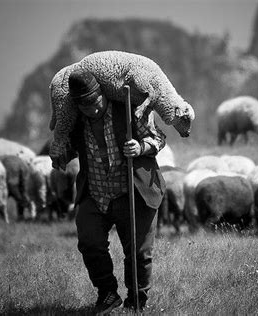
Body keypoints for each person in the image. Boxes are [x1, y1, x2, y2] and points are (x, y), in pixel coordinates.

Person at [66, 68, 166, 314]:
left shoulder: (129, 109)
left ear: (104, 95)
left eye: (96, 102)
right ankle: (107, 294)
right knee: (89, 243)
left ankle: (137, 302)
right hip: (96, 191)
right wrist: (61, 153)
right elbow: (67, 146)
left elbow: (160, 138)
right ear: (78, 106)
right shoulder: (75, 120)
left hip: (133, 191)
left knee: (139, 253)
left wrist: (140, 147)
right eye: (86, 106)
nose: (93, 109)